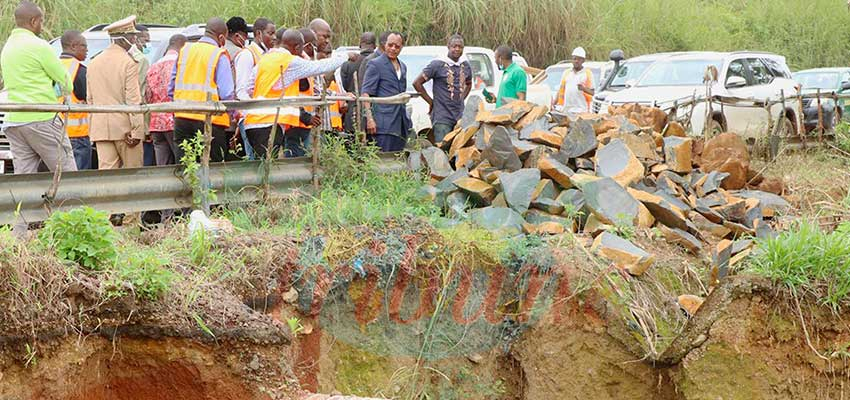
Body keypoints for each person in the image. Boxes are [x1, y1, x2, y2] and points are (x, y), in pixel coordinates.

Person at [243, 29, 356, 158]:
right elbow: (319, 67)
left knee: (262, 163)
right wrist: (345, 56)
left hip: (252, 122)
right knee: (268, 167)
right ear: (296, 47)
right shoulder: (289, 62)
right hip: (269, 123)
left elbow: (250, 88)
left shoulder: (265, 59)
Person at [0, 1, 76, 179]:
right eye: (41, 21)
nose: (42, 26)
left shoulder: (8, 47)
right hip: (42, 118)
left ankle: (22, 207)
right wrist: (57, 90)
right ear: (33, 21)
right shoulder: (39, 45)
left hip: (15, 120)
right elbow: (66, 81)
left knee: (24, 179)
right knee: (68, 175)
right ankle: (72, 206)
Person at [169, 17, 235, 163]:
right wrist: (232, 114)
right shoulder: (218, 54)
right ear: (222, 37)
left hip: (182, 117)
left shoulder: (185, 51)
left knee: (185, 166)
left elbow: (171, 88)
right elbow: (226, 94)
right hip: (209, 120)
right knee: (212, 169)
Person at [86, 15, 144, 170]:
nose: (133, 41)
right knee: (133, 174)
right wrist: (137, 130)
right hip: (125, 129)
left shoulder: (93, 62)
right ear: (123, 39)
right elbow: (133, 99)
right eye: (132, 36)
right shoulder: (128, 63)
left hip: (100, 128)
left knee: (107, 177)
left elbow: (89, 99)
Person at [413, 34, 472, 143]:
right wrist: (431, 102)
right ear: (448, 46)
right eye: (454, 46)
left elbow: (469, 84)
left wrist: (461, 99)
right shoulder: (437, 65)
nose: (457, 49)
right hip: (442, 117)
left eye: (460, 47)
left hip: (459, 116)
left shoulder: (465, 66)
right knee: (442, 149)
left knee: (458, 149)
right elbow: (417, 83)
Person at [361, 31, 412, 152]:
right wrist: (370, 119)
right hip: (383, 124)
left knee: (398, 160)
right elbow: (365, 93)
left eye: (397, 46)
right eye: (390, 45)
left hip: (401, 124)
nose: (393, 49)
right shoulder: (375, 64)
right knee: (382, 160)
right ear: (385, 45)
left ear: (402, 47)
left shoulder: (403, 66)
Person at [234, 18, 275, 160]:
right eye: (270, 33)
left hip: (264, 118)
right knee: (254, 160)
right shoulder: (247, 55)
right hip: (251, 118)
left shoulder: (268, 55)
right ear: (259, 34)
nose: (274, 37)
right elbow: (241, 90)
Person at [146, 34, 186, 167]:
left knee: (162, 165)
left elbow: (148, 95)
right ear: (183, 46)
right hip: (174, 120)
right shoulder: (180, 64)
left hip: (156, 122)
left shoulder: (154, 66)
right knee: (181, 163)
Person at [58, 30, 92, 170]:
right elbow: (88, 97)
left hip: (55, 131)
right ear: (73, 46)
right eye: (84, 46)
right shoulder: (79, 69)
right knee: (78, 178)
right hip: (77, 134)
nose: (87, 50)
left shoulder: (52, 65)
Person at [340, 31, 376, 132]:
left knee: (352, 143)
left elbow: (345, 86)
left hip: (353, 110)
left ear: (360, 45)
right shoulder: (379, 62)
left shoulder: (348, 64)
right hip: (374, 113)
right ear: (375, 46)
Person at [135, 24, 154, 166]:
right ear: (136, 39)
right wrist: (146, 127)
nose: (148, 44)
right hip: (138, 120)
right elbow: (142, 94)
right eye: (145, 40)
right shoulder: (141, 60)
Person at [555, 47, 594, 114]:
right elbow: (561, 90)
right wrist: (554, 103)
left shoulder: (587, 74)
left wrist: (583, 88)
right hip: (566, 110)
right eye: (574, 59)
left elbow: (593, 92)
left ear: (583, 60)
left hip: (581, 110)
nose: (576, 61)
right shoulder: (566, 73)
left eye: (579, 59)